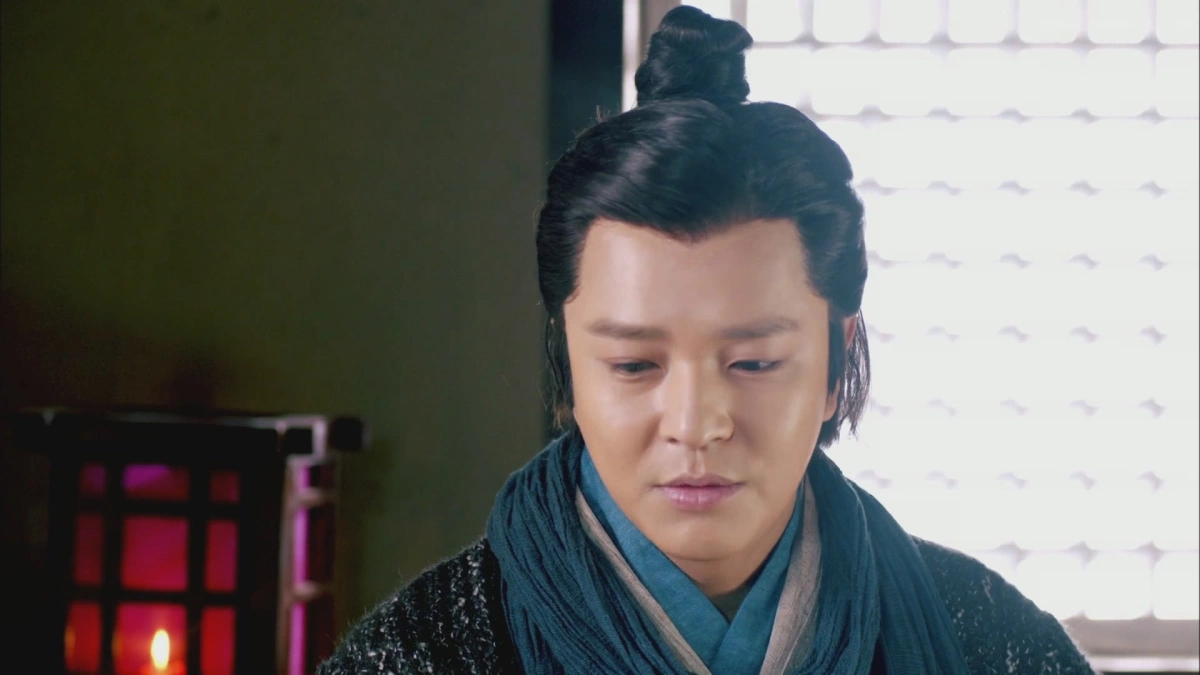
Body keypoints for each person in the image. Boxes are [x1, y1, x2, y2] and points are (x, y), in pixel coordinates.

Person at [319, 7, 1095, 674]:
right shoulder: (424, 651)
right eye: (633, 363)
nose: (696, 423)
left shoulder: (990, 643)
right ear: (569, 361)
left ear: (836, 360)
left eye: (754, 361)